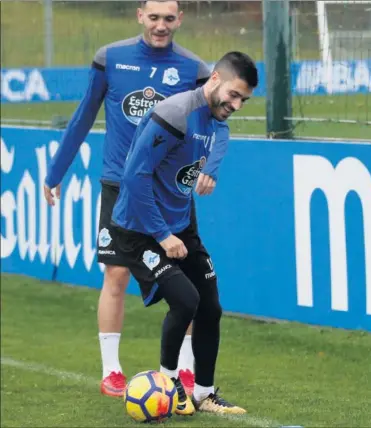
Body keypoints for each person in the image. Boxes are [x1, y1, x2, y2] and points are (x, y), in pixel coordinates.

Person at [44, 0, 229, 398]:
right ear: (139, 15)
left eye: (168, 19)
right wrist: (55, 171)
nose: (160, 26)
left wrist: (210, 166)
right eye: (154, 17)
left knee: (189, 281)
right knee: (115, 274)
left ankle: (185, 371)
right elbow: (83, 116)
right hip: (119, 185)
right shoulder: (110, 58)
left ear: (179, 19)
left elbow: (217, 120)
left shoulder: (194, 69)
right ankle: (111, 370)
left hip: (169, 191)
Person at [111, 51, 258, 415]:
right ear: (214, 80)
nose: (237, 105)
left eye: (244, 99)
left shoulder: (215, 119)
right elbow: (134, 175)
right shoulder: (176, 113)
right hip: (139, 228)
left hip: (181, 224)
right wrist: (162, 235)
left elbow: (221, 135)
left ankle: (204, 394)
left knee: (210, 305)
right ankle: (168, 382)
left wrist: (214, 168)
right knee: (186, 299)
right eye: (234, 95)